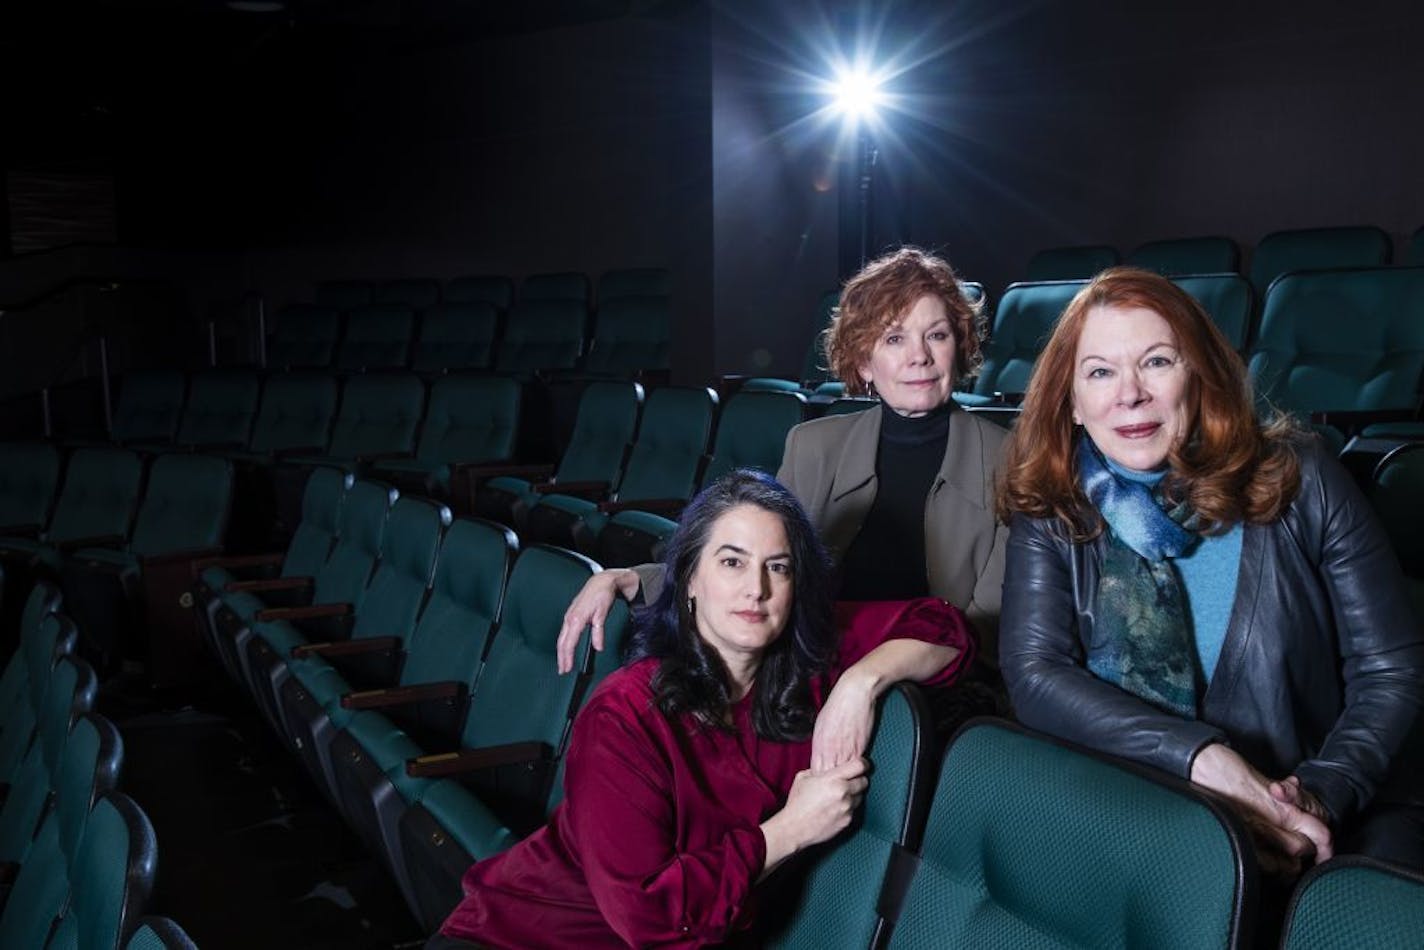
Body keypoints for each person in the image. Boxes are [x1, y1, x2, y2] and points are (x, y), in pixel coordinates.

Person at [996, 266, 1424, 876]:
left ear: (1199, 372)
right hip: (1141, 805)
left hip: (1325, 808)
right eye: (1100, 372)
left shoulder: (1302, 476)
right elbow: (1036, 675)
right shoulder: (1050, 508)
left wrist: (1317, 795)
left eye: (1157, 362)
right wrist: (1202, 759)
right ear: (1071, 403)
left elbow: (1391, 668)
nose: (1130, 394)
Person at [434, 470, 973, 948]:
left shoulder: (812, 667)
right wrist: (789, 830)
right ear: (690, 579)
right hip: (533, 932)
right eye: (732, 562)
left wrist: (861, 681)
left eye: (778, 567)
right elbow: (647, 919)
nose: (755, 590)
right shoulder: (624, 714)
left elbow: (945, 631)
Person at [557, 246, 1008, 675]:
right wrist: (628, 579)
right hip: (812, 670)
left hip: (933, 694)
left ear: (959, 346)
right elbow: (756, 567)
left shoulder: (1012, 461)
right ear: (865, 363)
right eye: (894, 338)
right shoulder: (814, 445)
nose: (919, 356)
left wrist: (868, 680)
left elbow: (985, 633)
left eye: (937, 335)